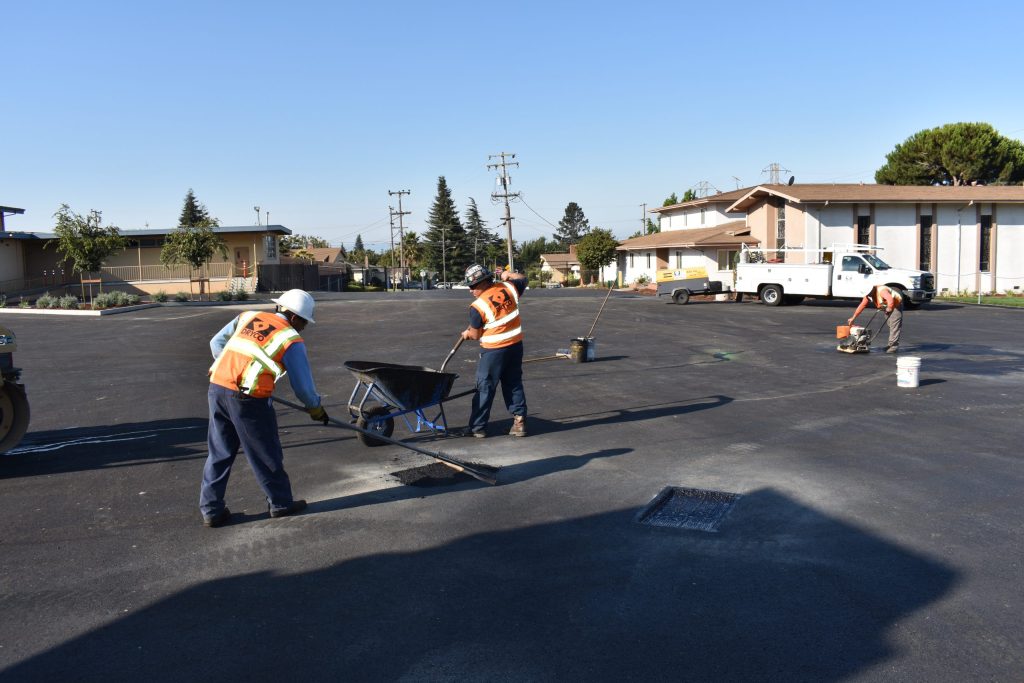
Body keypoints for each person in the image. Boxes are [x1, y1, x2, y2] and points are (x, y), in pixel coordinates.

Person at [199, 289, 328, 527]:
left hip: (217, 387)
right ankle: (280, 503)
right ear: (295, 317)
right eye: (304, 322)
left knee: (220, 451)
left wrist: (229, 369)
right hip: (249, 400)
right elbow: (303, 388)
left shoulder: (247, 317)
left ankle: (211, 509)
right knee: (265, 452)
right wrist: (315, 408)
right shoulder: (290, 339)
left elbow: (216, 342)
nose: (304, 328)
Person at [461, 264, 528, 438]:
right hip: (515, 346)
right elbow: (522, 278)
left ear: (483, 283)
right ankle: (519, 423)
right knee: (513, 384)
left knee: (485, 387)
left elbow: (475, 335)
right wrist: (508, 274)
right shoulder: (509, 287)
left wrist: (467, 333)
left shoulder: (478, 306)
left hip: (493, 351)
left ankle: (477, 427)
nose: (470, 290)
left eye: (472, 286)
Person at [848, 284, 903, 353]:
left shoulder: (882, 291)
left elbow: (890, 299)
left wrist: (889, 307)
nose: (868, 296)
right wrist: (853, 317)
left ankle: (893, 346)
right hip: (887, 306)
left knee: (894, 326)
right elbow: (862, 305)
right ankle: (890, 345)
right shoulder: (869, 294)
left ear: (871, 290)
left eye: (869, 294)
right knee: (890, 324)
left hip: (896, 306)